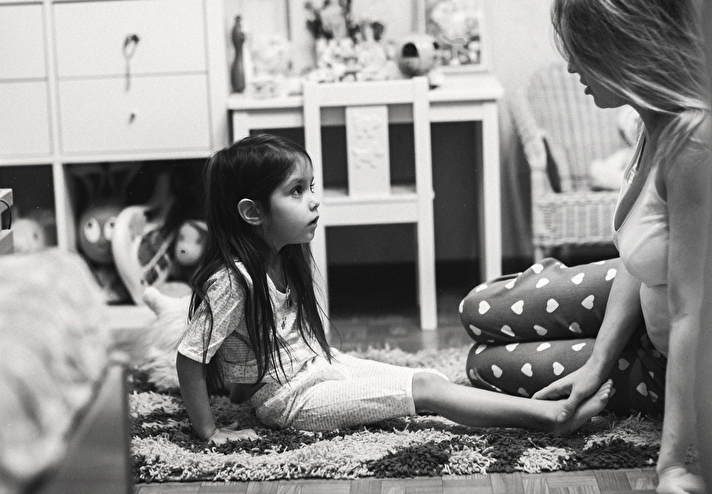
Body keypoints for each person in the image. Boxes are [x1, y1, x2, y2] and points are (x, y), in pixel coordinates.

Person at [143, 133, 613, 446]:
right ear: (252, 213)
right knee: (427, 389)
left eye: (312, 186)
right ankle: (550, 417)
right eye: (296, 191)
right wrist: (208, 431)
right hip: (293, 402)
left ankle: (538, 410)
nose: (314, 200)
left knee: (433, 380)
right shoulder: (232, 280)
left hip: (322, 367)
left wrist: (251, 382)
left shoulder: (282, 256)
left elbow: (273, 342)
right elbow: (191, 356)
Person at [459, 0, 711, 492]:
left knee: (486, 367)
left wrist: (673, 465)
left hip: (684, 361)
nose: (571, 65)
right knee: (479, 310)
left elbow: (691, 314)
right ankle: (578, 325)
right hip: (643, 295)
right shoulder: (651, 120)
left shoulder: (694, 141)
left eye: (581, 49)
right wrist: (597, 363)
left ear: (624, 45)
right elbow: (641, 259)